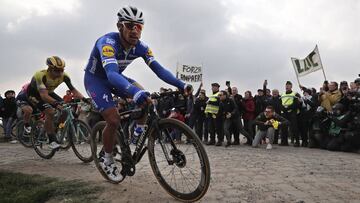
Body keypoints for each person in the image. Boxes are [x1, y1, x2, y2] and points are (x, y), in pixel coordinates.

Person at [83, 6, 191, 181]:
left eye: (139, 27)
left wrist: (181, 84)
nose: (135, 30)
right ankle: (107, 158)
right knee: (113, 119)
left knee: (147, 101)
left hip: (118, 77)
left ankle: (135, 137)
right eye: (130, 25)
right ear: (120, 26)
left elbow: (159, 70)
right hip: (96, 80)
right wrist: (134, 93)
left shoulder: (142, 47)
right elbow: (110, 74)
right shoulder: (107, 42)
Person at [17, 56, 86, 149]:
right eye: (57, 70)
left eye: (62, 70)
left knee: (65, 109)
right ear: (49, 68)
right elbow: (44, 96)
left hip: (49, 92)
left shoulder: (64, 76)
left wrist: (85, 99)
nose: (60, 73)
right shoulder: (40, 75)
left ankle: (55, 129)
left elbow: (74, 90)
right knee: (50, 112)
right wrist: (56, 104)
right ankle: (51, 140)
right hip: (34, 94)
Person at [280, 81, 300, 147]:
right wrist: (284, 109)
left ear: (291, 86)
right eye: (286, 85)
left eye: (288, 85)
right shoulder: (282, 94)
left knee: (294, 128)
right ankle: (284, 142)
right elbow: (280, 103)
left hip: (292, 112)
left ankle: (297, 142)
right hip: (284, 113)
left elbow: (296, 103)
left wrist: (288, 108)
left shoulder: (295, 94)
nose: (287, 86)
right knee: (283, 127)